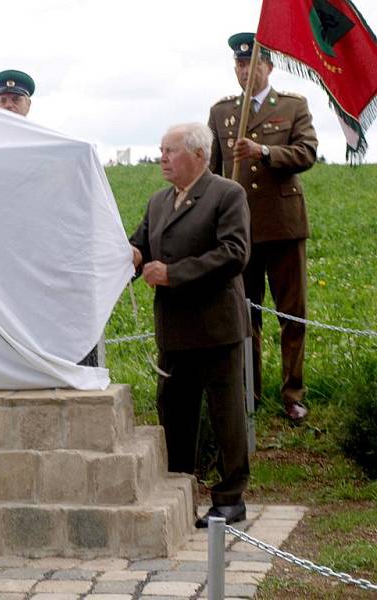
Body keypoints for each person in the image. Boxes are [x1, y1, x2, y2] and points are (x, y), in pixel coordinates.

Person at [130, 123, 251, 527]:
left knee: (225, 413)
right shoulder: (159, 201)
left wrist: (175, 273)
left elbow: (234, 253)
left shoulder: (226, 194)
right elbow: (141, 245)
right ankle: (181, 488)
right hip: (175, 329)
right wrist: (130, 255)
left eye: (171, 151)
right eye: (161, 150)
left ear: (199, 155)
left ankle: (230, 497)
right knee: (175, 413)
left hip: (216, 327)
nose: (163, 157)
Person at [208, 32, 318, 423]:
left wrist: (265, 151)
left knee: (292, 314)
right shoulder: (222, 113)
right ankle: (248, 393)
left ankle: (293, 393)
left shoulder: (292, 106)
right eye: (239, 64)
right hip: (240, 233)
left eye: (253, 63)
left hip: (284, 227)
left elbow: (307, 152)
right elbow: (212, 171)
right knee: (245, 315)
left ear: (269, 67)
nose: (245, 70)